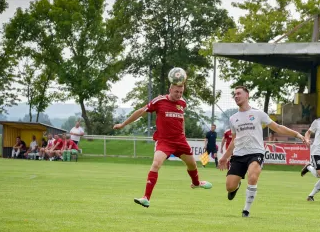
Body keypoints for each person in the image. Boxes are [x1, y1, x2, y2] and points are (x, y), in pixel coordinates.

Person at [113, 70, 212, 208]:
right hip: (164, 141)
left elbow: (181, 119)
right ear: (170, 89)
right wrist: (123, 124)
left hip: (180, 141)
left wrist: (183, 134)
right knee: (156, 164)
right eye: (176, 91)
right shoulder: (159, 101)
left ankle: (196, 183)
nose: (178, 95)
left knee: (192, 165)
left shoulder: (182, 103)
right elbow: (140, 111)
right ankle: (146, 197)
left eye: (181, 92)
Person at [218, 86, 309, 217]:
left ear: (247, 95)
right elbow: (234, 140)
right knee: (229, 187)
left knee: (253, 176)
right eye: (234, 94)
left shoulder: (258, 114)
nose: (236, 96)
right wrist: (225, 157)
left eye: (239, 93)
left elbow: (277, 127)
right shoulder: (233, 119)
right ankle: (236, 186)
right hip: (239, 154)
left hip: (256, 152)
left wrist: (297, 135)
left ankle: (246, 210)